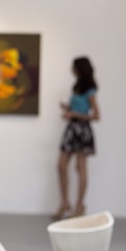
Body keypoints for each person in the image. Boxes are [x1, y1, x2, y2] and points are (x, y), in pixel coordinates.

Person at [54, 56, 100, 220]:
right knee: (61, 166)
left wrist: (73, 113)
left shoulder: (90, 90)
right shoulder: (77, 86)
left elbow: (96, 115)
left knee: (80, 168)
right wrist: (68, 108)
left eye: (73, 67)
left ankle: (79, 205)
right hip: (71, 128)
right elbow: (78, 106)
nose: (71, 69)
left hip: (82, 130)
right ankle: (65, 202)